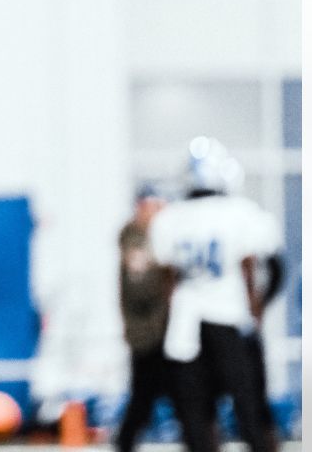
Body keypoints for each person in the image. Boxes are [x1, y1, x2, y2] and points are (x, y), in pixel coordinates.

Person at [149, 137, 281, 452]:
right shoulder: (241, 213)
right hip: (230, 321)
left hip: (186, 327)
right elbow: (269, 268)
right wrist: (258, 309)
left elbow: (167, 279)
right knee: (250, 411)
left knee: (196, 417)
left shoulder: (170, 219)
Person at [114, 184, 172, 452]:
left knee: (188, 402)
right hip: (148, 335)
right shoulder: (136, 240)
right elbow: (142, 287)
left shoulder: (161, 238)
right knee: (142, 403)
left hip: (168, 333)